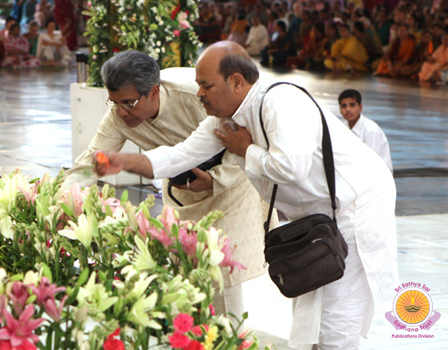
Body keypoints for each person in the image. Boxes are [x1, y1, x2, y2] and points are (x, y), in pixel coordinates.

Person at [95, 41, 397, 350]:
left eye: (206, 85)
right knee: (311, 316)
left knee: (336, 321)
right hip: (317, 217)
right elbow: (179, 156)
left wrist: (245, 150)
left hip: (357, 208)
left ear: (236, 82)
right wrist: (125, 161)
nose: (199, 93)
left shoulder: (281, 101)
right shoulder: (225, 119)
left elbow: (292, 168)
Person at [74, 51, 274, 319]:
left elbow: (243, 141)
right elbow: (90, 162)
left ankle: (231, 338)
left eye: (129, 103)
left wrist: (215, 180)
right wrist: (60, 198)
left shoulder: (196, 95)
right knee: (188, 268)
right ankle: (196, 334)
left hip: (231, 179)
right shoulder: (118, 116)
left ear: (154, 92)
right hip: (182, 189)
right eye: (115, 103)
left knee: (223, 267)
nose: (122, 112)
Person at [338, 89, 392, 171]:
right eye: (344, 106)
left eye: (352, 105)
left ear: (360, 107)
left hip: (378, 176)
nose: (348, 109)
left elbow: (372, 164)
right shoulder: (342, 128)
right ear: (340, 109)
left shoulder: (371, 130)